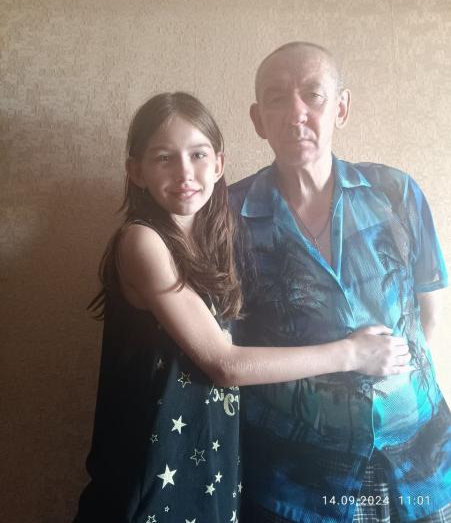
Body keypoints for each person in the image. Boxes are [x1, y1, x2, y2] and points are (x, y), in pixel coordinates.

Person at [73, 92, 411, 523]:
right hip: (150, 472)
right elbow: (225, 364)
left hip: (206, 465)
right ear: (135, 171)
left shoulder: (214, 241)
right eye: (163, 158)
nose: (184, 172)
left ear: (219, 163)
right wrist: (352, 354)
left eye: (198, 155)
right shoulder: (143, 241)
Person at [229, 42, 451, 523]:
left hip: (421, 463)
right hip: (297, 480)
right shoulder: (229, 217)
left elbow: (432, 314)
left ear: (341, 108)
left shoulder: (396, 192)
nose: (297, 114)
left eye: (314, 95)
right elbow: (227, 352)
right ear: (258, 119)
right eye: (277, 98)